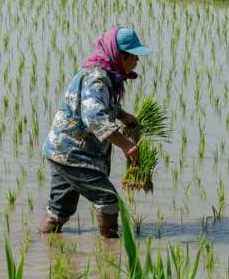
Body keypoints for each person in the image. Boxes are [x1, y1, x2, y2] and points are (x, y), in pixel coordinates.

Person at [39, 27, 152, 238]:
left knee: (59, 212)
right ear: (120, 55)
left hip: (60, 151)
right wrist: (126, 145)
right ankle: (111, 249)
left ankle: (45, 243)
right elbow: (94, 118)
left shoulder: (100, 74)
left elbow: (98, 105)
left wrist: (123, 115)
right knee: (108, 199)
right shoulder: (97, 79)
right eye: (134, 55)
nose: (137, 59)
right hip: (74, 155)